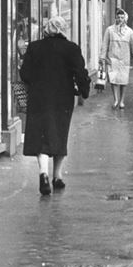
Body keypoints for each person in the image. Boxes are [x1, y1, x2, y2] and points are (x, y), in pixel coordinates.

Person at [20, 16, 91, 195]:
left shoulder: (34, 47)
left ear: (46, 29)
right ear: (63, 29)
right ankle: (57, 176)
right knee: (60, 133)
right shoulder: (71, 48)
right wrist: (84, 90)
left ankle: (43, 174)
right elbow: (81, 73)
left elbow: (24, 74)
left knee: (43, 135)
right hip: (63, 97)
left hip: (39, 98)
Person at [102, 8, 133, 109]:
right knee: (114, 79)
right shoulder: (110, 30)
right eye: (118, 17)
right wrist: (102, 57)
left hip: (124, 59)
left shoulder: (129, 32)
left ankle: (122, 100)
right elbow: (105, 44)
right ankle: (115, 100)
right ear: (115, 18)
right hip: (112, 58)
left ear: (125, 19)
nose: (120, 19)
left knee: (123, 80)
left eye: (122, 17)